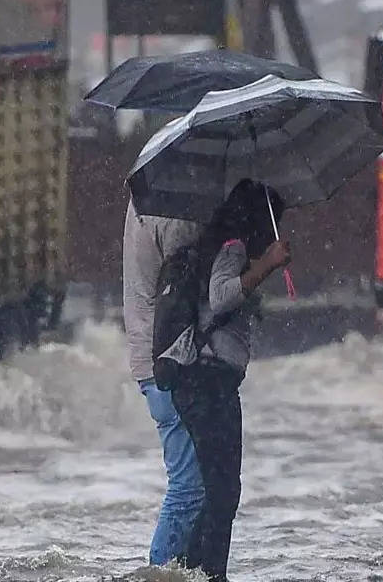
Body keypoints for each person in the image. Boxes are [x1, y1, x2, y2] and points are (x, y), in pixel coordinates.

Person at [173, 179, 291, 582]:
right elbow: (222, 296)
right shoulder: (234, 246)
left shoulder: (224, 245)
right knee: (223, 492)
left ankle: (190, 572)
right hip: (208, 383)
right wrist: (267, 264)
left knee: (220, 491)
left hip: (207, 383)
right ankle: (204, 574)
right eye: (274, 222)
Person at [122, 198, 205, 566]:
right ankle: (159, 572)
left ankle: (178, 570)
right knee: (188, 488)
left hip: (152, 358)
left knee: (192, 486)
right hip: (164, 362)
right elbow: (192, 265)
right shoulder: (168, 214)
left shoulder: (145, 200)